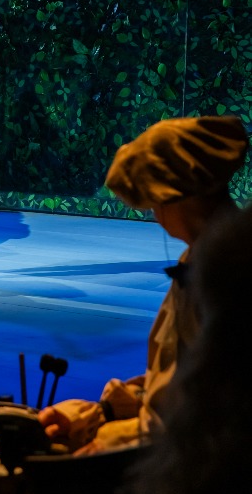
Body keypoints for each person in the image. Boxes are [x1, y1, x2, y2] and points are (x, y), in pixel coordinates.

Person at [37, 115, 249, 454]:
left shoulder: (225, 277)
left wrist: (102, 442)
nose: (154, 214)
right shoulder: (202, 257)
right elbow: (176, 384)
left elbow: (201, 421)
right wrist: (101, 413)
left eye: (153, 202)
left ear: (175, 197)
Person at [125, 200, 252, 494]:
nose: (153, 211)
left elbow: (197, 408)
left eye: (156, 200)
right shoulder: (196, 260)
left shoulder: (214, 269)